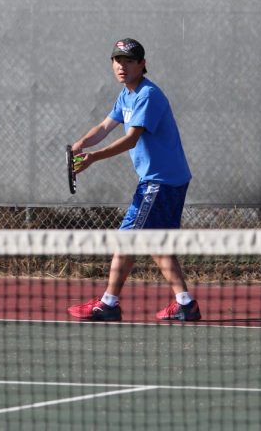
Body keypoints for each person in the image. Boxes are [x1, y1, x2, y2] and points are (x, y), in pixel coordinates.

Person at [66, 38, 200, 323]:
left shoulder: (147, 95)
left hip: (159, 181)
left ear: (142, 64)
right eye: (117, 61)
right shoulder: (126, 95)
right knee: (156, 243)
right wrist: (80, 144)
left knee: (126, 239)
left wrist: (93, 158)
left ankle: (109, 303)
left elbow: (131, 139)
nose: (121, 67)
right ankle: (186, 303)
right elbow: (104, 126)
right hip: (169, 178)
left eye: (128, 61)